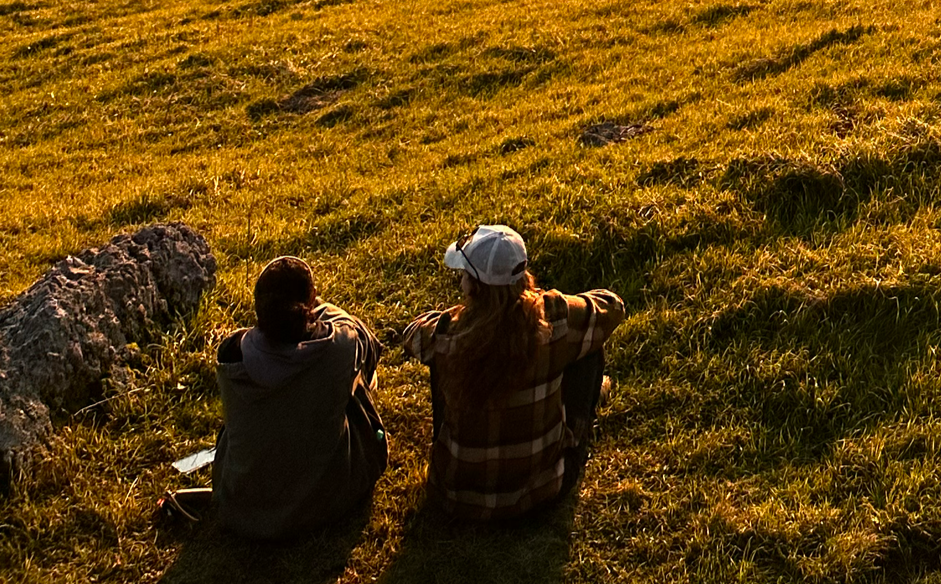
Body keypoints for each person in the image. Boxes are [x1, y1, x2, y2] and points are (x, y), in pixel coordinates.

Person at [399, 222, 625, 522]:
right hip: (541, 493)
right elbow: (612, 305)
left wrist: (456, 317)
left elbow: (412, 334)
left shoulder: (447, 334)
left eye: (464, 276)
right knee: (588, 346)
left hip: (455, 497)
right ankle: (578, 427)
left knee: (440, 363)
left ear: (473, 286)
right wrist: (544, 299)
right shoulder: (554, 317)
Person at [155, 255, 385, 538]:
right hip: (325, 503)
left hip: (242, 511)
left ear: (258, 308)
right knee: (359, 381)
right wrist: (319, 308)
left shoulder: (231, 354)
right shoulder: (340, 345)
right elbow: (368, 345)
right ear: (311, 300)